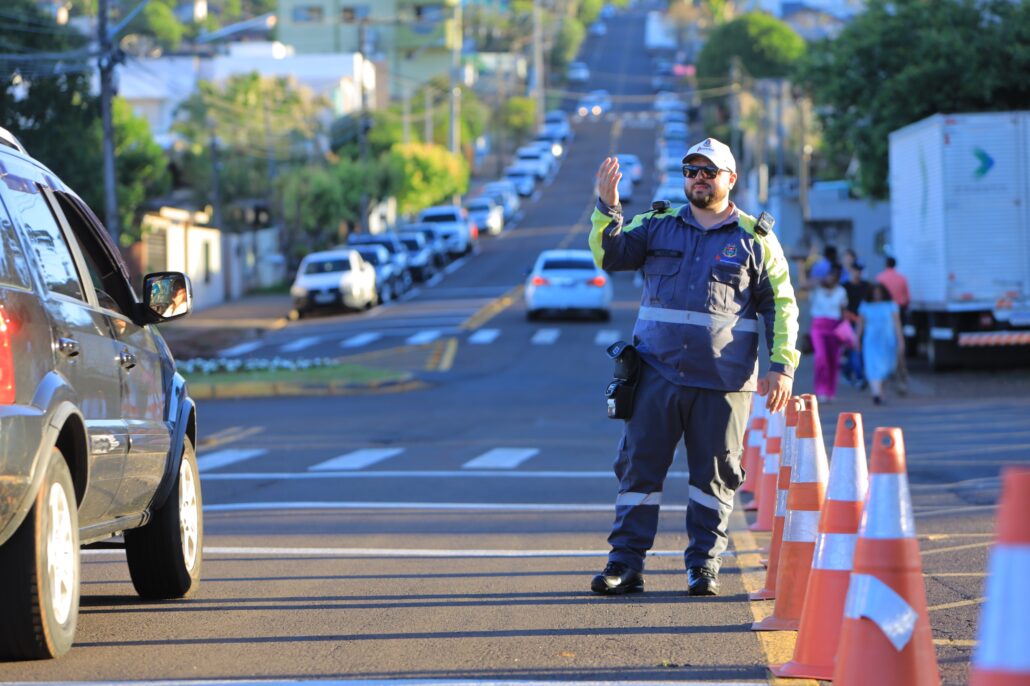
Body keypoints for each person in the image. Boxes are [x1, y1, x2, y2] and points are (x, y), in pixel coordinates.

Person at [587, 137, 800, 597]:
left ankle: (703, 565)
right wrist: (608, 208)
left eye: (708, 171)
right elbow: (610, 255)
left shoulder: (755, 239)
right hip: (656, 376)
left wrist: (782, 366)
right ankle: (625, 563)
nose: (698, 179)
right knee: (638, 471)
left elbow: (781, 305)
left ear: (730, 179)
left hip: (724, 384)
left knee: (715, 477)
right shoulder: (658, 224)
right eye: (691, 171)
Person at [856, 283, 904, 405]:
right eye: (874, 293)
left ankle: (882, 392)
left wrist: (900, 340)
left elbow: (897, 325)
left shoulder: (891, 305)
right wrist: (856, 339)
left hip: (888, 341)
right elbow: (860, 325)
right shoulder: (865, 306)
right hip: (871, 341)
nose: (877, 295)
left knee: (888, 367)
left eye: (879, 292)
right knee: (872, 367)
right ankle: (876, 393)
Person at [808, 265, 848, 404]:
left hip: (835, 327)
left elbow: (843, 312)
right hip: (818, 327)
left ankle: (831, 390)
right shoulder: (816, 290)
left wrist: (845, 331)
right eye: (829, 275)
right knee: (821, 358)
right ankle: (821, 389)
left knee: (833, 359)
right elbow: (802, 285)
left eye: (834, 276)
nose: (831, 279)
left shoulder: (841, 291)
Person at [875, 256, 910, 393]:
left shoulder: (880, 278)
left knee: (883, 346)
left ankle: (884, 378)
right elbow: (907, 298)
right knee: (899, 344)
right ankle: (901, 377)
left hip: (883, 315)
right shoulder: (902, 278)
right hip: (899, 312)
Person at [841, 261, 870, 387]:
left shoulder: (866, 286)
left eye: (859, 270)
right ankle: (859, 376)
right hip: (850, 323)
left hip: (864, 322)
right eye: (855, 270)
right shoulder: (845, 287)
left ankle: (847, 370)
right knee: (855, 349)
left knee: (861, 350)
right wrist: (854, 318)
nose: (857, 273)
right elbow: (842, 308)